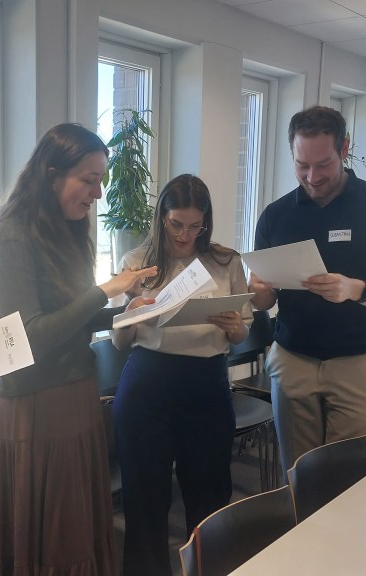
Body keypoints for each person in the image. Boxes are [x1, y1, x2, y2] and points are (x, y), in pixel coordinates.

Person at [0, 123, 156, 576]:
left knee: (77, 531)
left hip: (73, 394)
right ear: (52, 175)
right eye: (89, 180)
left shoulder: (67, 232)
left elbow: (74, 319)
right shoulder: (12, 237)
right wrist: (105, 290)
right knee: (54, 540)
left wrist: (126, 312)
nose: (98, 193)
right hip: (33, 403)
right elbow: (32, 336)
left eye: (100, 181)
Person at [249, 105, 366, 471]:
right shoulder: (276, 216)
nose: (312, 177)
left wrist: (357, 289)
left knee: (348, 480)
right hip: (293, 362)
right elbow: (263, 300)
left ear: (344, 148)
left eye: (323, 164)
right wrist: (257, 290)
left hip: (358, 364)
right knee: (298, 476)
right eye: (302, 165)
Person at [111, 174, 251, 576]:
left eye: (195, 226)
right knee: (145, 498)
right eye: (176, 224)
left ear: (206, 222)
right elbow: (120, 343)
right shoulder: (136, 263)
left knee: (210, 495)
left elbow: (242, 331)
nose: (185, 235)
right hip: (148, 382)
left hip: (206, 382)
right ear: (162, 217)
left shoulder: (225, 261)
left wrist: (234, 326)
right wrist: (131, 312)